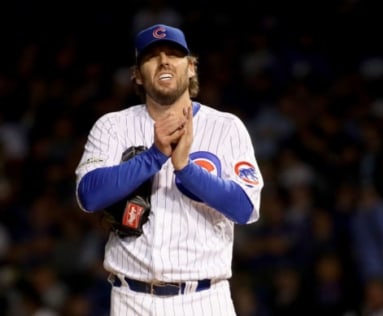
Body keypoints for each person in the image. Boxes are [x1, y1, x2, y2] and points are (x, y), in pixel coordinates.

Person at [74, 23, 264, 316]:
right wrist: (153, 157)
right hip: (131, 298)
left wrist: (186, 169)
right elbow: (89, 196)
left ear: (190, 68)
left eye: (174, 54)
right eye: (151, 56)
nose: (163, 60)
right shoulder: (112, 126)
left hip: (204, 298)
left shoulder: (225, 127)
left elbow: (245, 208)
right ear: (137, 75)